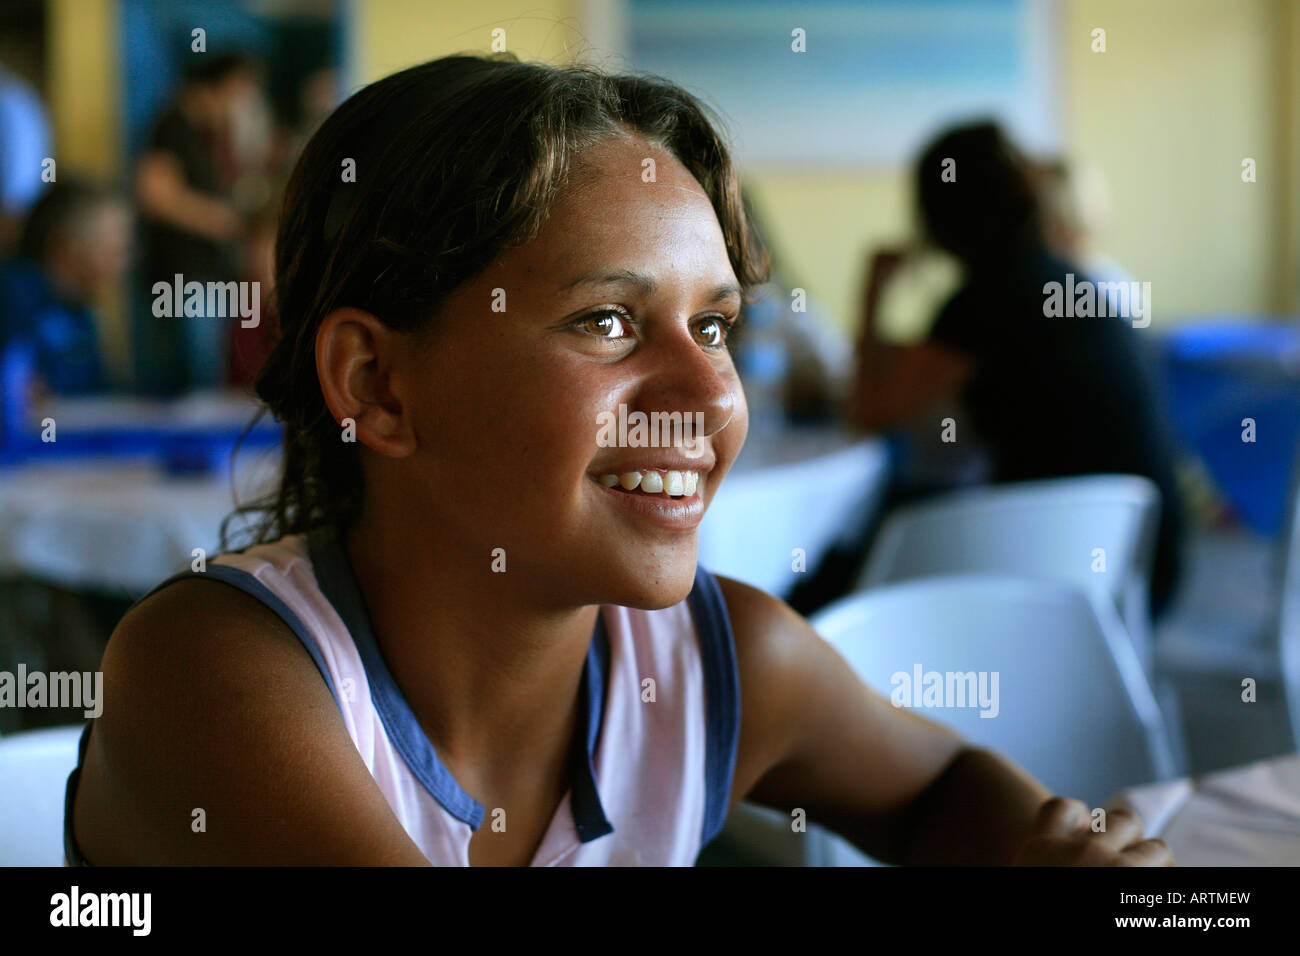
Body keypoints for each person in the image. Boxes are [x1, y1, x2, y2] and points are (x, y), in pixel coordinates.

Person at [65, 57, 1171, 867]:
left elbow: (935, 785)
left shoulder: (724, 660)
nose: (711, 395)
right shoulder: (216, 674)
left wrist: (1044, 849)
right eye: (605, 321)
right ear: (376, 384)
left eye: (715, 326)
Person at [850, 121, 1186, 617]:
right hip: (1137, 560)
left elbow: (867, 410)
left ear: (940, 215)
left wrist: (874, 293)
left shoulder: (980, 302)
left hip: (1054, 580)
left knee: (862, 542)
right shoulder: (1072, 283)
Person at [134, 52, 262, 393]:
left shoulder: (209, 136)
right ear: (212, 87)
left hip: (205, 277)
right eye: (237, 91)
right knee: (193, 383)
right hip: (183, 277)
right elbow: (155, 196)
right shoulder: (172, 124)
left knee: (205, 377)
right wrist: (226, 221)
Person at [0, 179, 131, 397]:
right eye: (113, 249)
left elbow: (100, 394)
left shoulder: (82, 312)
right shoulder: (12, 298)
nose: (122, 264)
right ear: (66, 246)